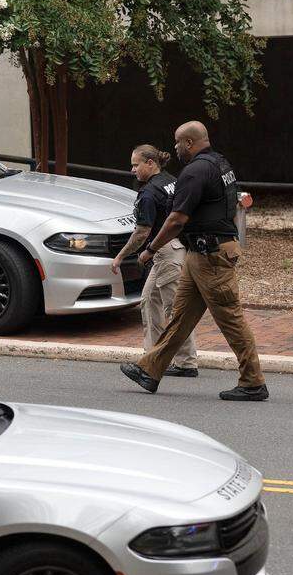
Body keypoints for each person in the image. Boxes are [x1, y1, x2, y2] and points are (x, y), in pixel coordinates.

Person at [119, 121, 268, 401]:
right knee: (180, 316)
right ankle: (150, 371)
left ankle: (253, 381)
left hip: (210, 255)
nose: (174, 149)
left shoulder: (194, 172)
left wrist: (151, 248)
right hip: (201, 253)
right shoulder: (221, 164)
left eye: (177, 143)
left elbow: (176, 220)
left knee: (231, 319)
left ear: (189, 143)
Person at [111, 144, 198, 377]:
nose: (132, 170)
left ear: (150, 163)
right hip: (175, 248)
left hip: (167, 252)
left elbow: (141, 232)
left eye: (135, 164)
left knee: (175, 310)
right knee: (149, 300)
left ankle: (186, 363)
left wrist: (120, 257)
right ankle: (152, 359)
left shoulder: (149, 193)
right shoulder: (170, 180)